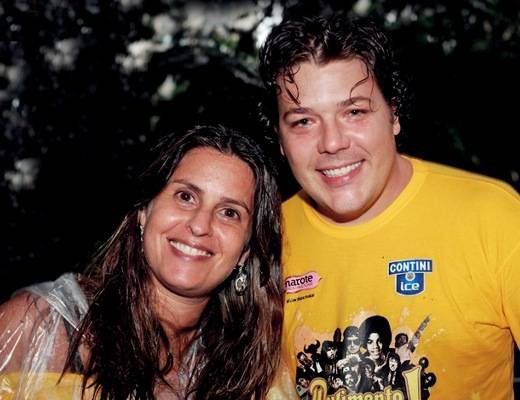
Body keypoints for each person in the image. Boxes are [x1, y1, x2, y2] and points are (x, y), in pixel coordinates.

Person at [259, 13, 520, 399]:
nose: (332, 142)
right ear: (280, 140)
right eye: (303, 122)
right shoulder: (264, 239)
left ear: (394, 114)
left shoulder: (492, 216)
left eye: (355, 112)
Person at [0, 125, 284, 399]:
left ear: (246, 251)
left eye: (229, 212)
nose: (200, 225)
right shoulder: (38, 324)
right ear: (144, 212)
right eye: (185, 196)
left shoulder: (251, 372)